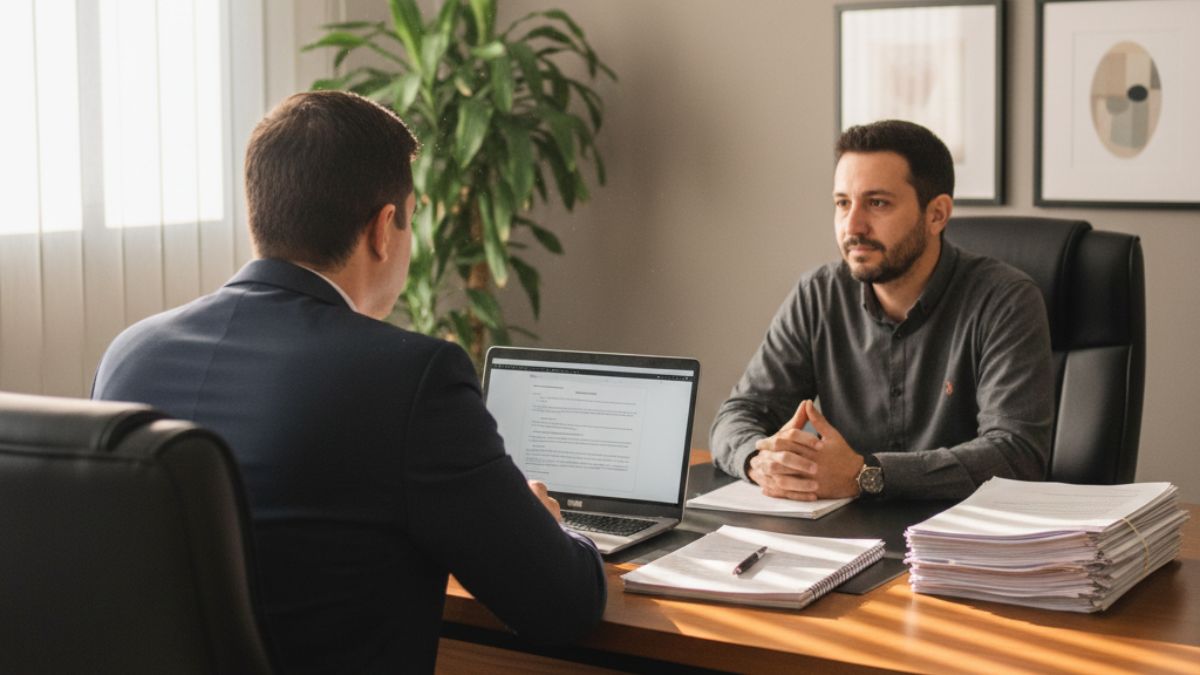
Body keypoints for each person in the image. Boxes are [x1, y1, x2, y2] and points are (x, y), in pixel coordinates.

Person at [92, 91, 606, 674]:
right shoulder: (411, 378)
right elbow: (561, 606)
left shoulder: (130, 354)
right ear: (385, 229)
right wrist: (549, 527)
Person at [710, 120, 1054, 502]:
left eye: (877, 203)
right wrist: (759, 460)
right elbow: (739, 413)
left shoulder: (1004, 299)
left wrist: (866, 475)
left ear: (937, 214)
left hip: (959, 541)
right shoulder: (818, 295)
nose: (852, 226)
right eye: (842, 203)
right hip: (842, 535)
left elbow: (1015, 454)